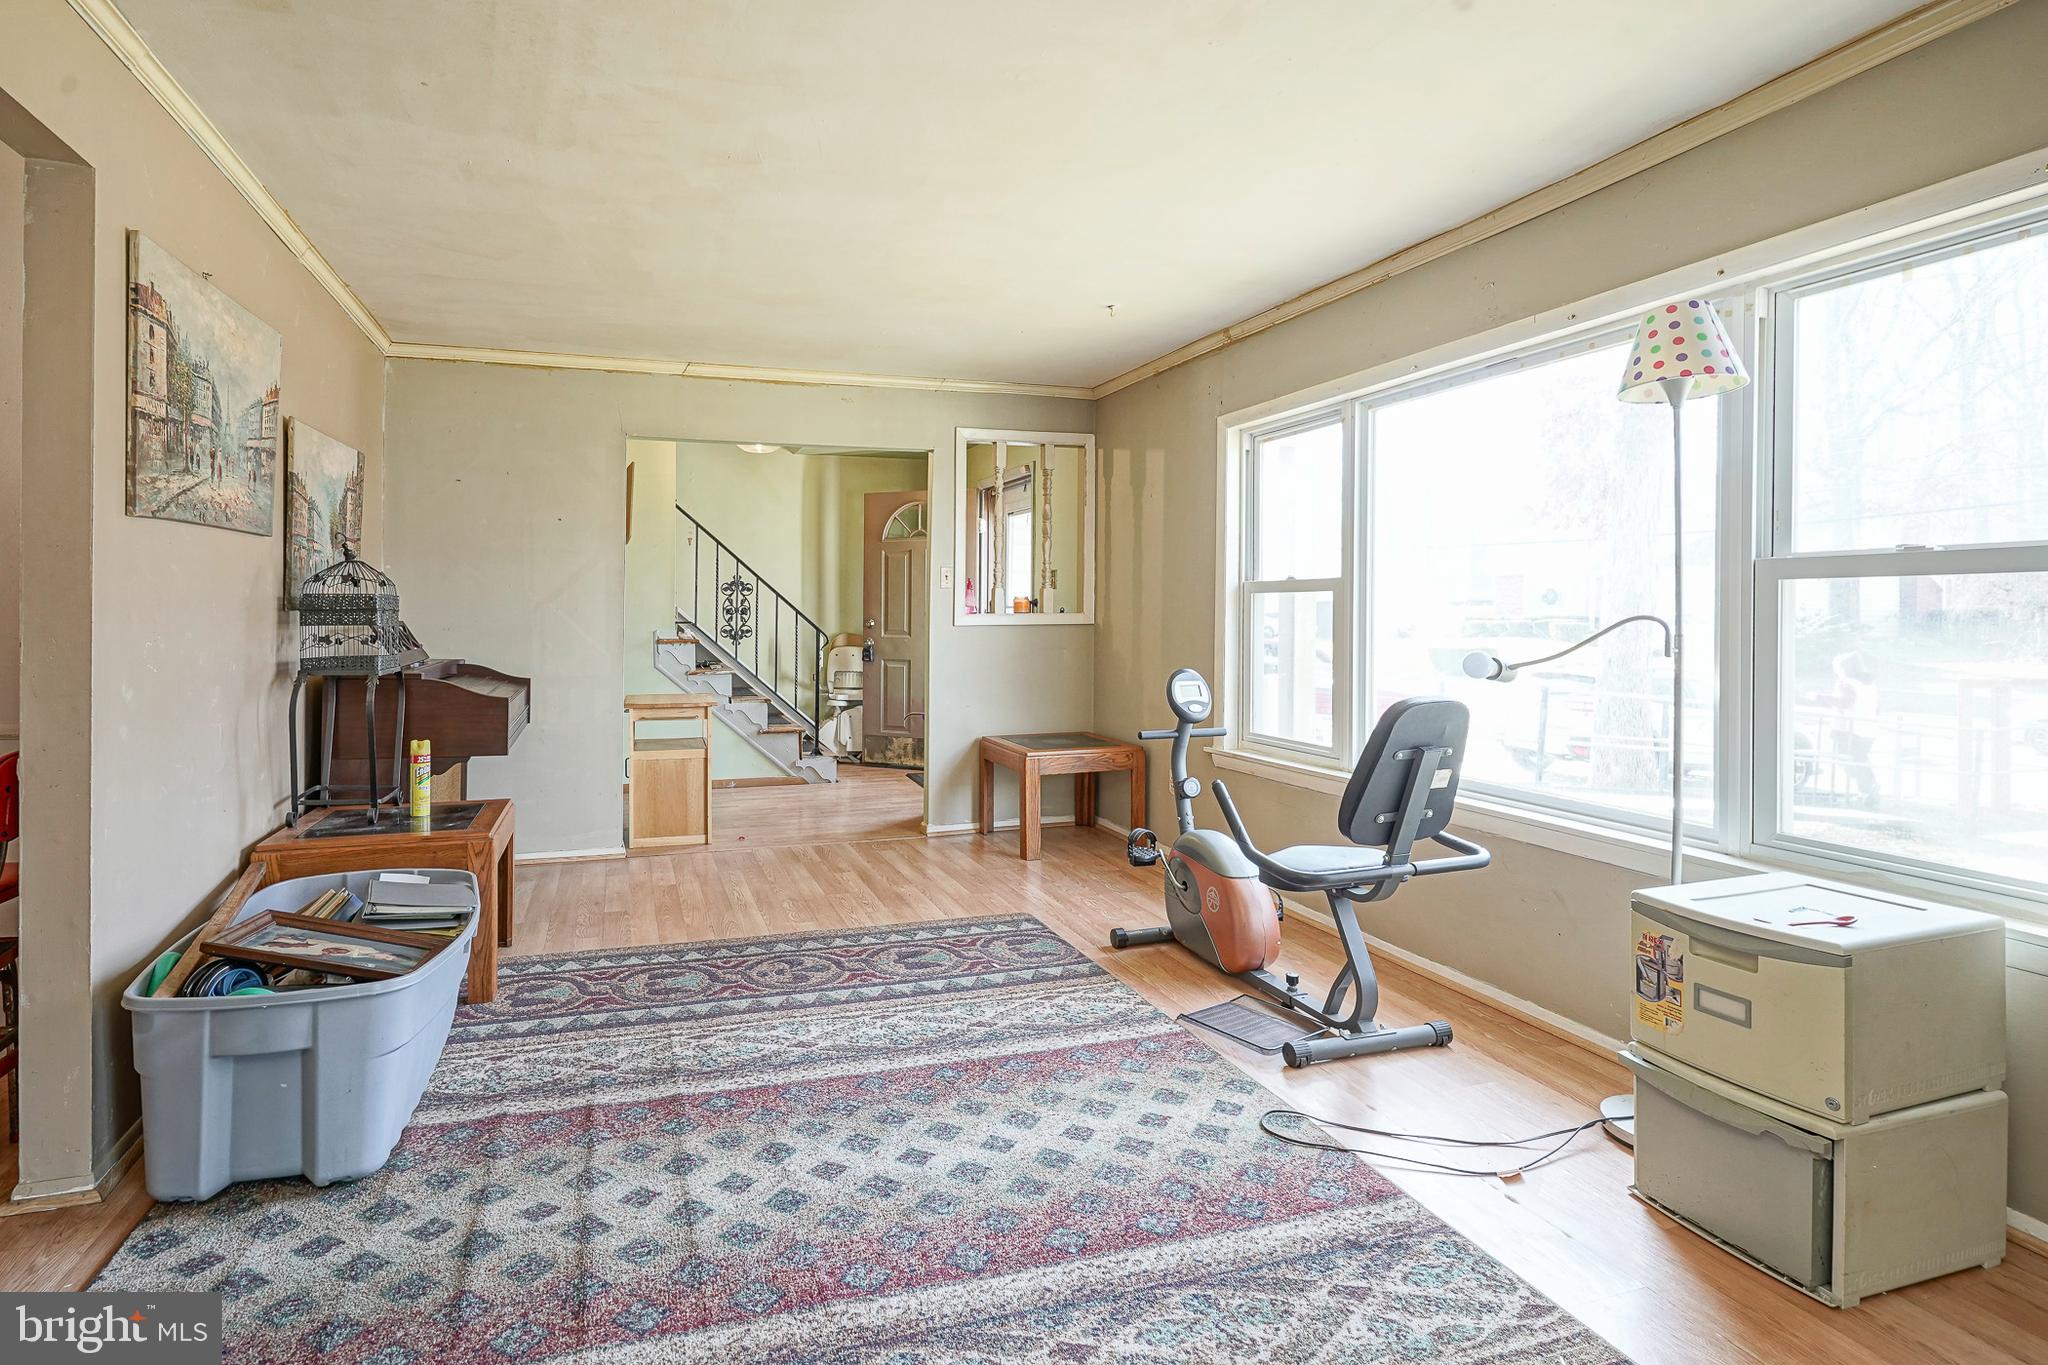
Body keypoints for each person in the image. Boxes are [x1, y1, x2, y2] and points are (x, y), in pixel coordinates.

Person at [1831, 651, 1880, 807]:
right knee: (1860, 759)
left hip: (1848, 729)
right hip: (1869, 728)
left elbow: (1844, 703)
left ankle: (1869, 788)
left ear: (1844, 668)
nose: (1835, 670)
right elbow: (1879, 707)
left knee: (1846, 759)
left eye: (1837, 667)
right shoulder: (1870, 684)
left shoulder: (1846, 683)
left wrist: (1817, 697)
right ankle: (1868, 791)